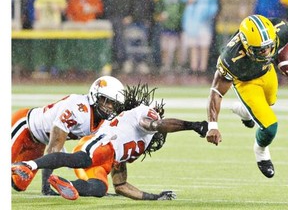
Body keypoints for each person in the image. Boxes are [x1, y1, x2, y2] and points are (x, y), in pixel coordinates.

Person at [12, 83, 208, 201]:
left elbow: (121, 184)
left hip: (106, 159)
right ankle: (29, 165)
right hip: (99, 145)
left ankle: (64, 183)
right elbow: (155, 124)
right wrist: (194, 125)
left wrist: (154, 197)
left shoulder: (140, 144)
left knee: (99, 188)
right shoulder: (143, 115)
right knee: (79, 159)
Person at [11, 75, 125, 195]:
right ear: (95, 95)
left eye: (114, 103)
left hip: (40, 142)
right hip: (24, 126)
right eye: (106, 101)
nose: (110, 107)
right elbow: (54, 148)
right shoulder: (77, 109)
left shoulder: (103, 122)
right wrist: (46, 188)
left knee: (19, 184)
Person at [206, 14, 288, 178]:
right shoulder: (231, 58)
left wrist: (284, 58)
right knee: (270, 126)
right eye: (260, 50)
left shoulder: (280, 29)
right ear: (245, 44)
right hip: (247, 82)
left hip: (267, 72)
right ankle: (261, 151)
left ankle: (243, 110)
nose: (266, 52)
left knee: (269, 102)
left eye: (269, 47)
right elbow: (216, 92)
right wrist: (212, 126)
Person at [180, 0, 219, 76]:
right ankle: (194, 68)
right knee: (193, 46)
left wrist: (209, 15)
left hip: (205, 23)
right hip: (192, 23)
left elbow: (214, 5)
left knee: (204, 46)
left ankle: (203, 68)